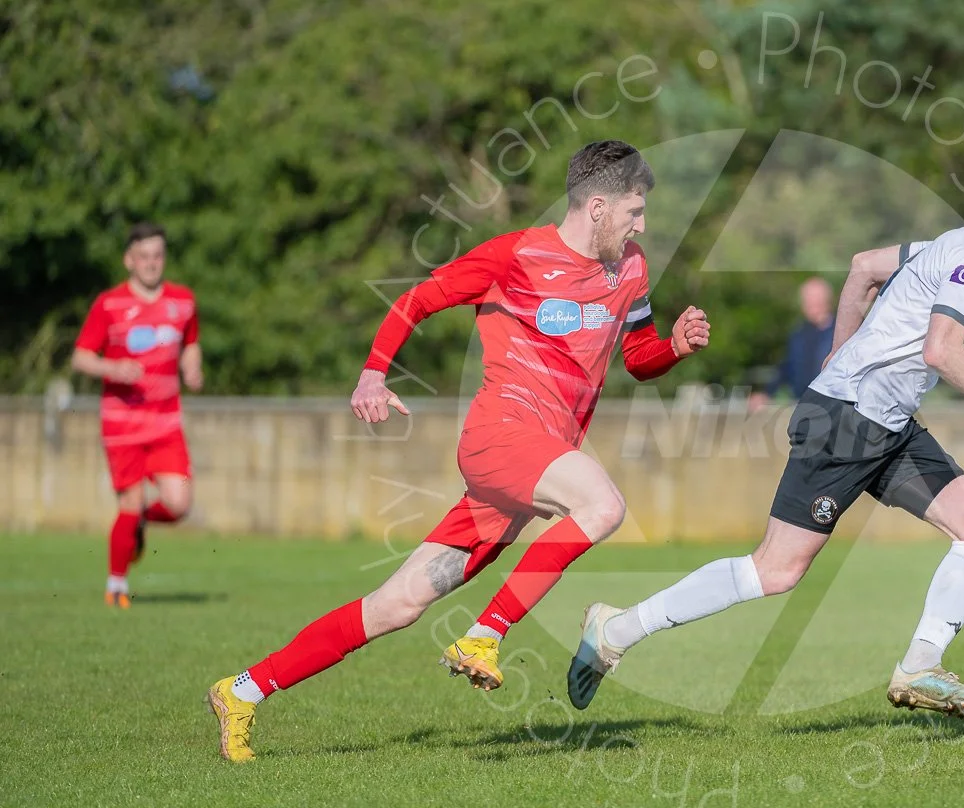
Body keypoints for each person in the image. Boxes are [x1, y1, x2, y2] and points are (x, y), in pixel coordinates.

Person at [205, 141, 711, 762]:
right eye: (635, 210)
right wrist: (372, 374)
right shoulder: (515, 255)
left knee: (397, 604)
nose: (643, 225)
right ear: (598, 206)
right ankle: (484, 634)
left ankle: (242, 690)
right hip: (501, 436)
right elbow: (417, 300)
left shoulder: (630, 266)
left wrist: (674, 349)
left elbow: (637, 357)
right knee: (603, 506)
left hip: (534, 464)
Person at [567, 174, 964, 718]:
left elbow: (864, 266)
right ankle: (616, 629)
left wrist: (839, 352)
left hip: (887, 425)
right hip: (847, 424)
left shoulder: (945, 245)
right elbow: (941, 351)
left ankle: (920, 666)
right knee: (774, 570)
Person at [71, 223, 203, 609]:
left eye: (157, 255)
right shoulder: (109, 304)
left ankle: (141, 522)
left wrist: (193, 367)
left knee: (179, 503)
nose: (151, 263)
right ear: (129, 260)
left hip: (166, 422)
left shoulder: (183, 301)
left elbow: (191, 343)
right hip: (122, 424)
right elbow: (81, 357)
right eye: (143, 256)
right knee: (129, 502)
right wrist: (112, 369)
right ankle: (116, 584)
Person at [747, 277, 835, 412]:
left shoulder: (842, 334)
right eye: (807, 300)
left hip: (833, 407)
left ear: (827, 301)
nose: (810, 304)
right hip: (803, 406)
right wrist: (766, 393)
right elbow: (786, 368)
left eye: (815, 299)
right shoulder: (798, 334)